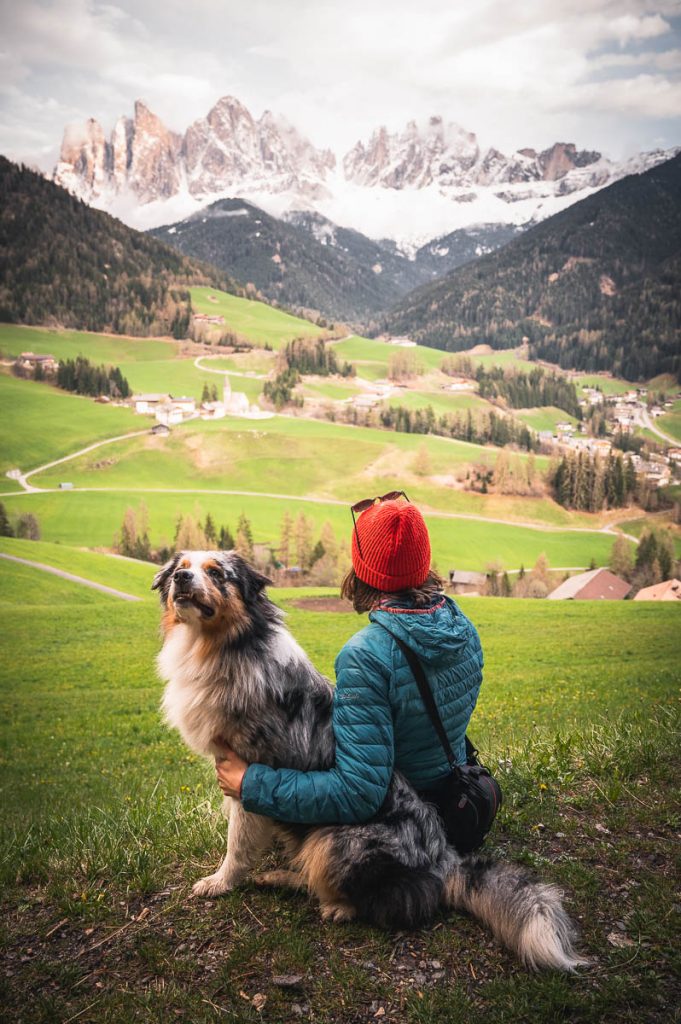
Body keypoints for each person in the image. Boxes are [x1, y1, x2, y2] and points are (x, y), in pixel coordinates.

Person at [214, 492, 484, 826]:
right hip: (456, 801)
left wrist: (251, 783)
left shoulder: (366, 656)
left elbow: (356, 792)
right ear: (423, 561)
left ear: (363, 568)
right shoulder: (463, 628)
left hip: (403, 829)